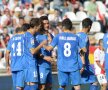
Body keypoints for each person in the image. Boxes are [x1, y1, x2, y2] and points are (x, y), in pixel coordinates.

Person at [44, 18, 86, 90]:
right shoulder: (76, 37)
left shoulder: (58, 36)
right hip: (74, 65)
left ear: (63, 27)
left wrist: (42, 45)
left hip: (62, 65)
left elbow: (49, 48)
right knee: (77, 86)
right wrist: (80, 53)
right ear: (71, 27)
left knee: (62, 86)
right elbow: (84, 50)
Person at [23, 18, 51, 90]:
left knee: (30, 85)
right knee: (33, 86)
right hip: (30, 64)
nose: (40, 27)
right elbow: (33, 51)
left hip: (27, 63)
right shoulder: (30, 36)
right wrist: (42, 44)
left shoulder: (26, 34)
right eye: (39, 26)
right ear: (35, 26)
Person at [76, 18, 98, 90]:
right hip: (83, 64)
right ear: (89, 26)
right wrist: (83, 64)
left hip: (75, 63)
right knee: (94, 82)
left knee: (76, 84)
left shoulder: (76, 35)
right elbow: (82, 50)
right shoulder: (85, 36)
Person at [35, 16, 53, 90]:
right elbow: (34, 51)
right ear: (41, 24)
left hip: (48, 65)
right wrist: (45, 57)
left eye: (48, 23)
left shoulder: (50, 35)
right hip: (41, 65)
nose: (47, 25)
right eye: (44, 23)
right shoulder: (37, 36)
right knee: (42, 87)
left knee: (49, 86)